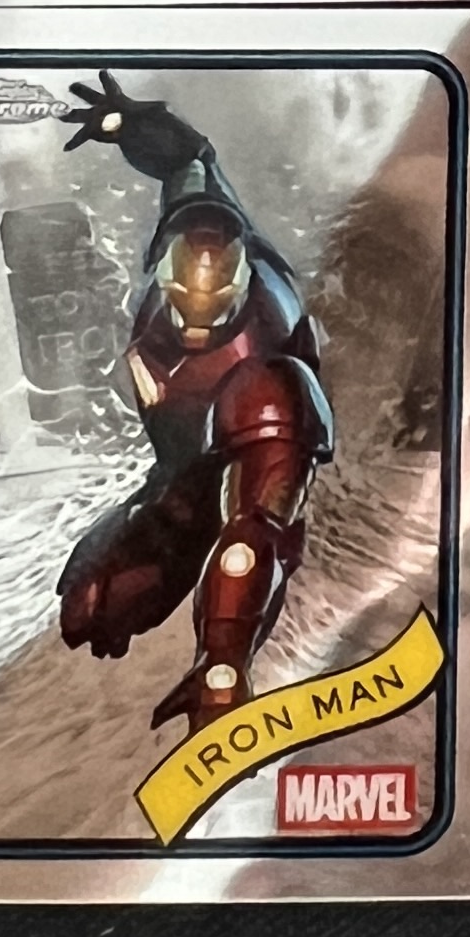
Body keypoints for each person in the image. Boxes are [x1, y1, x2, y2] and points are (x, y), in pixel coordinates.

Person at [54, 77, 333, 731]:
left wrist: (223, 664)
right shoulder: (187, 238)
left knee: (250, 535)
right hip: (182, 476)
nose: (196, 315)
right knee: (90, 608)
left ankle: (222, 672)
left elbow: (258, 527)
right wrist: (129, 125)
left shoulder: (265, 359)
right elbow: (188, 158)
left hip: (255, 456)